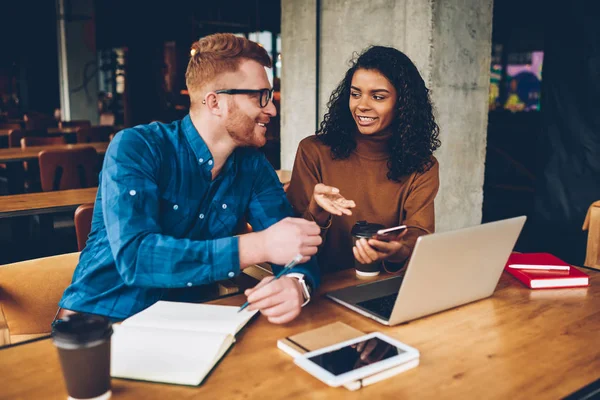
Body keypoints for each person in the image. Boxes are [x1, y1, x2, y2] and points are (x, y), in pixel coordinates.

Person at [58, 33, 322, 324]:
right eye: (259, 96)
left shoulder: (253, 166)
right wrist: (258, 246)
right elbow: (137, 258)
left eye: (269, 96)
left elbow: (294, 245)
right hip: (98, 324)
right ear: (215, 103)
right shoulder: (137, 146)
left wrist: (296, 284)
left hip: (189, 325)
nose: (271, 109)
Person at [287, 46, 441, 273]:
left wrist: (399, 249)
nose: (362, 105)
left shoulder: (422, 166)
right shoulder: (314, 151)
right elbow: (291, 241)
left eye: (378, 97)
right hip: (319, 284)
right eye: (355, 93)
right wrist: (317, 212)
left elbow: (419, 232)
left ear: (404, 104)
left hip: (384, 286)